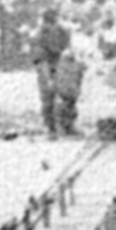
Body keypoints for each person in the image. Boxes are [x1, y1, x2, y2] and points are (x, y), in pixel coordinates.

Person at [33, 8, 70, 139]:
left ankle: (60, 126)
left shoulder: (55, 31)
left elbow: (64, 44)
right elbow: (41, 61)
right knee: (50, 98)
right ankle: (53, 128)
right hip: (49, 66)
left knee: (56, 97)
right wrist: (48, 77)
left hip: (54, 65)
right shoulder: (44, 34)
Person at [54, 49, 86, 136]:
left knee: (69, 110)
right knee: (64, 110)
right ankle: (63, 128)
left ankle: (68, 127)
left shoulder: (69, 65)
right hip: (67, 92)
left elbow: (79, 77)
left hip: (69, 92)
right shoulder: (65, 66)